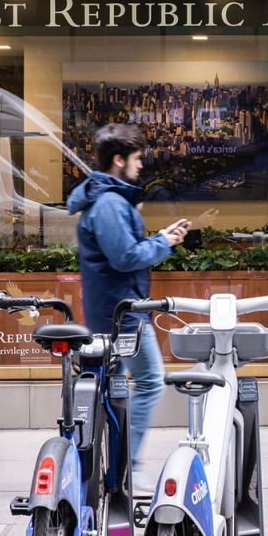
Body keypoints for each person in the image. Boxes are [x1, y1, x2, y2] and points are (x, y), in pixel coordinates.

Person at [67, 123, 191, 493]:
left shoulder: (107, 200)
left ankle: (103, 466)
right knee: (151, 381)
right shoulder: (109, 204)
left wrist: (159, 238)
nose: (141, 166)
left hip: (116, 309)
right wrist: (163, 242)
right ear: (118, 160)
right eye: (137, 159)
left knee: (109, 389)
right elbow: (124, 257)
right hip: (122, 314)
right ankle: (126, 466)